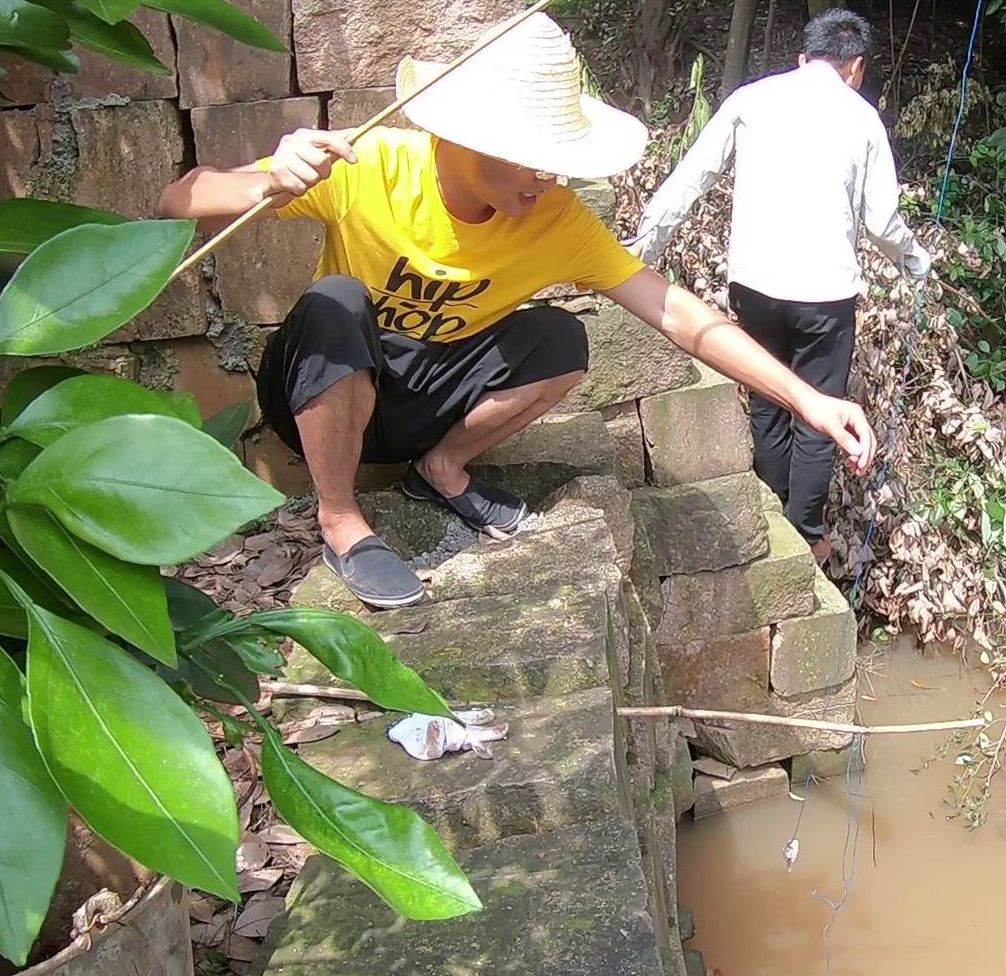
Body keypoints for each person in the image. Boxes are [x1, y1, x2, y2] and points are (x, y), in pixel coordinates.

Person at [157, 13, 876, 609]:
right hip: (325, 385)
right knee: (336, 303)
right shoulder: (371, 166)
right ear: (471, 139)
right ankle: (342, 517)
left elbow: (679, 314)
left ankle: (440, 468)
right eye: (534, 157)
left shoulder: (554, 218)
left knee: (562, 340)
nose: (549, 177)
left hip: (426, 401)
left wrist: (807, 398)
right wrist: (268, 183)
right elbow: (180, 199)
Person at [629, 8, 929, 562]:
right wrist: (917, 265)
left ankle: (771, 507)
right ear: (856, 67)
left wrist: (641, 250)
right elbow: (883, 223)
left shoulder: (751, 99)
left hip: (754, 287)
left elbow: (690, 177)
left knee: (769, 396)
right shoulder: (863, 119)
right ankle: (807, 534)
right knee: (820, 409)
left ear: (803, 58)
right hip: (825, 297)